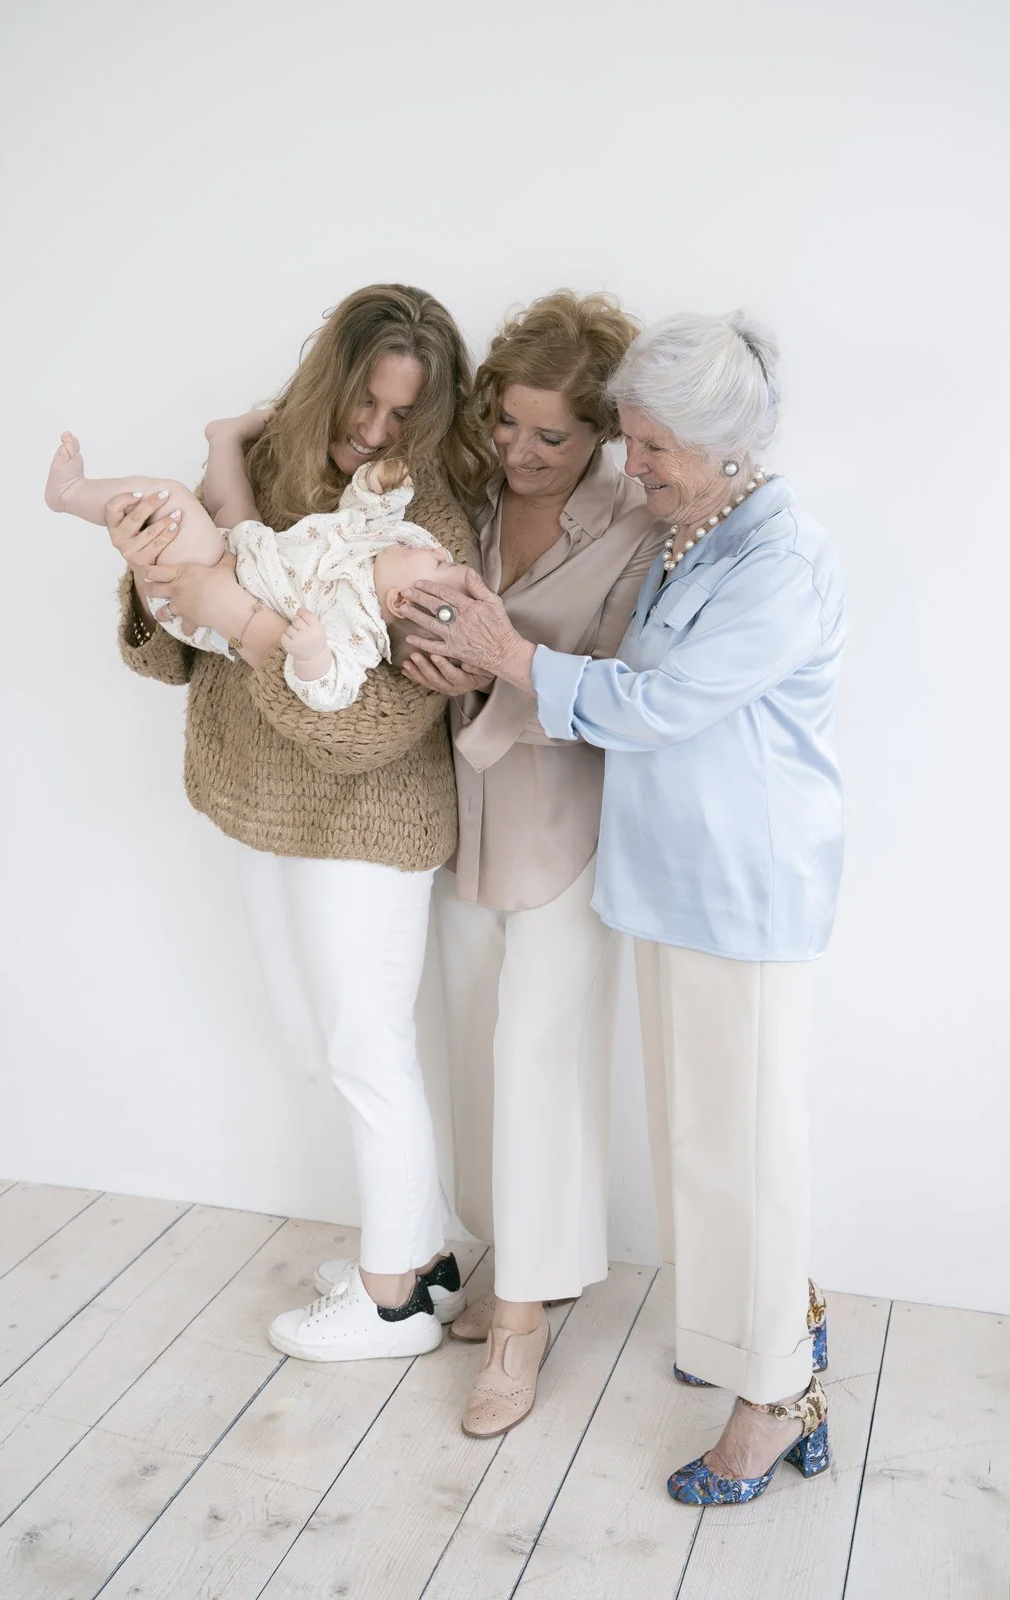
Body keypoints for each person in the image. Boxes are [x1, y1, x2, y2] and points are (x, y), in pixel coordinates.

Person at [397, 310, 846, 1500]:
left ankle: (773, 1398)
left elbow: (655, 705)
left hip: (743, 888)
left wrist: (508, 657)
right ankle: (764, 1330)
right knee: (700, 1141)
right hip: (666, 881)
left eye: (650, 446)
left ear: (725, 443)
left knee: (746, 1147)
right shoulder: (692, 533)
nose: (628, 461)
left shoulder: (776, 563)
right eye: (630, 439)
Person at [104, 283, 489, 1361]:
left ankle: (390, 1299)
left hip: (366, 820)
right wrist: (151, 577)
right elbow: (166, 656)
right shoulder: (263, 472)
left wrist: (244, 620)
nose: (374, 431)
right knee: (314, 1045)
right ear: (328, 377)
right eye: (363, 401)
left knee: (364, 1048)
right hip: (256, 806)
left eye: (403, 413)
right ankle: (424, 1254)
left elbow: (366, 729)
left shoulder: (426, 524)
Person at [396, 291, 664, 1438]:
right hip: (457, 817)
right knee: (466, 1044)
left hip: (565, 823)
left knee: (536, 1056)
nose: (520, 450)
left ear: (599, 429)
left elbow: (617, 691)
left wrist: (496, 675)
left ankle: (520, 1322)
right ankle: (513, 1253)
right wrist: (422, 659)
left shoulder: (634, 526)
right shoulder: (465, 497)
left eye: (550, 434)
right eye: (506, 422)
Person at [46, 421, 466, 708]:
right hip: (249, 550)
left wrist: (313, 654)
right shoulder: (380, 544)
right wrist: (382, 486)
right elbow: (363, 510)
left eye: (440, 566)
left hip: (213, 596)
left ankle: (71, 492)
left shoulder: (358, 627)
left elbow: (333, 690)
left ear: (399, 601)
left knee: (172, 501)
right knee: (230, 502)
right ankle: (224, 439)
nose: (441, 551)